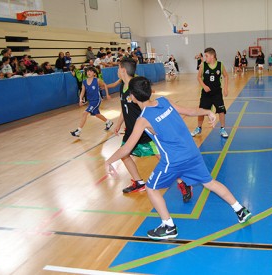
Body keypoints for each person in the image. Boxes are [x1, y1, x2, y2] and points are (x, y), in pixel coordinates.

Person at [105, 76, 252, 240]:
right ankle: (240, 209)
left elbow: (127, 148)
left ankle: (168, 226)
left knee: (151, 188)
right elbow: (189, 111)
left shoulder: (143, 119)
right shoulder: (164, 101)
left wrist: (109, 160)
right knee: (209, 182)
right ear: (149, 91)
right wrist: (208, 111)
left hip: (173, 161)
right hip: (192, 153)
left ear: (132, 96)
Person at [106, 59, 192, 201]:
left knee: (162, 157)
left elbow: (148, 107)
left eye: (118, 68)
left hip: (143, 130)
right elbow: (124, 107)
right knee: (124, 155)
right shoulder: (122, 87)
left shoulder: (136, 88)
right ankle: (138, 182)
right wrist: (119, 123)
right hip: (130, 131)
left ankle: (183, 182)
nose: (116, 71)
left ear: (123, 70)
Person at [191, 47, 229, 138]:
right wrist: (204, 86)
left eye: (206, 56)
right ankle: (199, 128)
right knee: (201, 111)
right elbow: (199, 77)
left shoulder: (220, 65)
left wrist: (225, 88)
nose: (205, 58)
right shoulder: (203, 65)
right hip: (206, 93)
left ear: (212, 56)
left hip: (217, 93)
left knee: (221, 111)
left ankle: (222, 129)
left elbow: (226, 76)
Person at [70, 67, 113, 137]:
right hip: (91, 101)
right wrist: (80, 99)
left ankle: (78, 131)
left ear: (94, 73)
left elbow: (104, 85)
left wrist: (107, 94)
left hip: (96, 100)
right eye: (87, 71)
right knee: (97, 114)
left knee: (84, 113)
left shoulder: (97, 80)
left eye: (90, 71)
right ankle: (109, 122)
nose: (89, 72)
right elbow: (82, 92)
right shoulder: (84, 82)